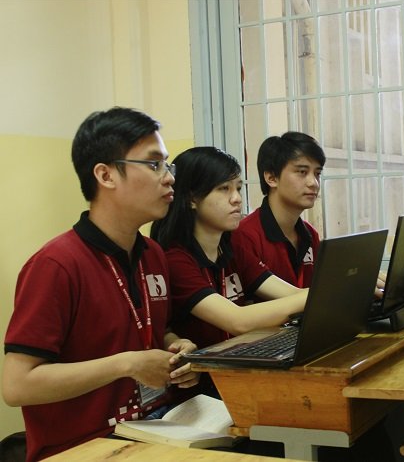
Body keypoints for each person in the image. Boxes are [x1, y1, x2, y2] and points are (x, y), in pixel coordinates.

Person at [2, 107, 200, 461]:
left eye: (167, 165)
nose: (169, 178)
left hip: (154, 431)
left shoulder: (153, 254)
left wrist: (175, 347)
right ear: (106, 175)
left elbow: (151, 330)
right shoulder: (56, 265)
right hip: (81, 449)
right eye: (154, 164)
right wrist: (127, 364)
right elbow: (17, 385)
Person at [150, 146, 307, 396]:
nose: (236, 199)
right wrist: (321, 294)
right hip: (200, 392)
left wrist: (335, 291)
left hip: (237, 379)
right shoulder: (175, 258)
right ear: (191, 198)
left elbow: (291, 294)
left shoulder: (232, 245)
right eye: (224, 189)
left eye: (238, 188)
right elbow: (238, 321)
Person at [230, 132, 325, 293]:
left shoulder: (310, 234)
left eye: (317, 174)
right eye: (302, 172)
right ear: (271, 178)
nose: (313, 183)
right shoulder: (245, 235)